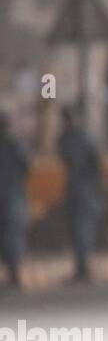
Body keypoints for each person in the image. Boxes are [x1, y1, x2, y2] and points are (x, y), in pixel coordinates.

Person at [57, 106, 100, 282]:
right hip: (80, 190)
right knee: (79, 230)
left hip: (82, 191)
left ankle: (83, 269)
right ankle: (81, 268)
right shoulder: (75, 139)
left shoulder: (71, 139)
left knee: (81, 230)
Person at [0, 111, 30, 291]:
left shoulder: (14, 145)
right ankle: (14, 276)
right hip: (13, 198)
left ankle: (13, 276)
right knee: (12, 237)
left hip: (10, 198)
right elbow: (26, 167)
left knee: (9, 238)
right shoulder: (16, 145)